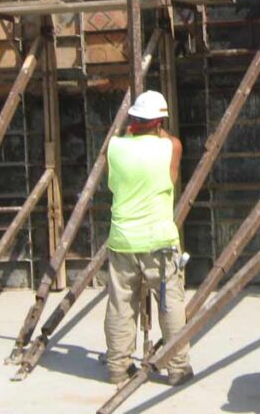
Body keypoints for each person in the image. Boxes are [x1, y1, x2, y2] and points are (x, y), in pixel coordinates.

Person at [103, 90, 192, 386]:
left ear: (133, 119)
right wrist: (158, 129)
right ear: (159, 122)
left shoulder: (115, 147)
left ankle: (117, 365)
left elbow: (114, 185)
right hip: (159, 242)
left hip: (123, 240)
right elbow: (172, 178)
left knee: (120, 304)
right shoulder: (171, 147)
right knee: (170, 304)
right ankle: (177, 367)